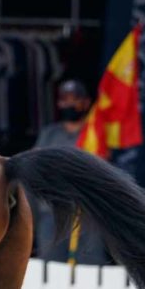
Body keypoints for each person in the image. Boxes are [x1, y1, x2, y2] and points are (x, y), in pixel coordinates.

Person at [30, 79, 107, 265]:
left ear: (86, 102)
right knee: (50, 265)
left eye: (75, 99)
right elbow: (34, 167)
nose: (69, 104)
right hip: (53, 211)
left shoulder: (95, 133)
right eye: (64, 99)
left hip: (88, 213)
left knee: (89, 266)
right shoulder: (49, 134)